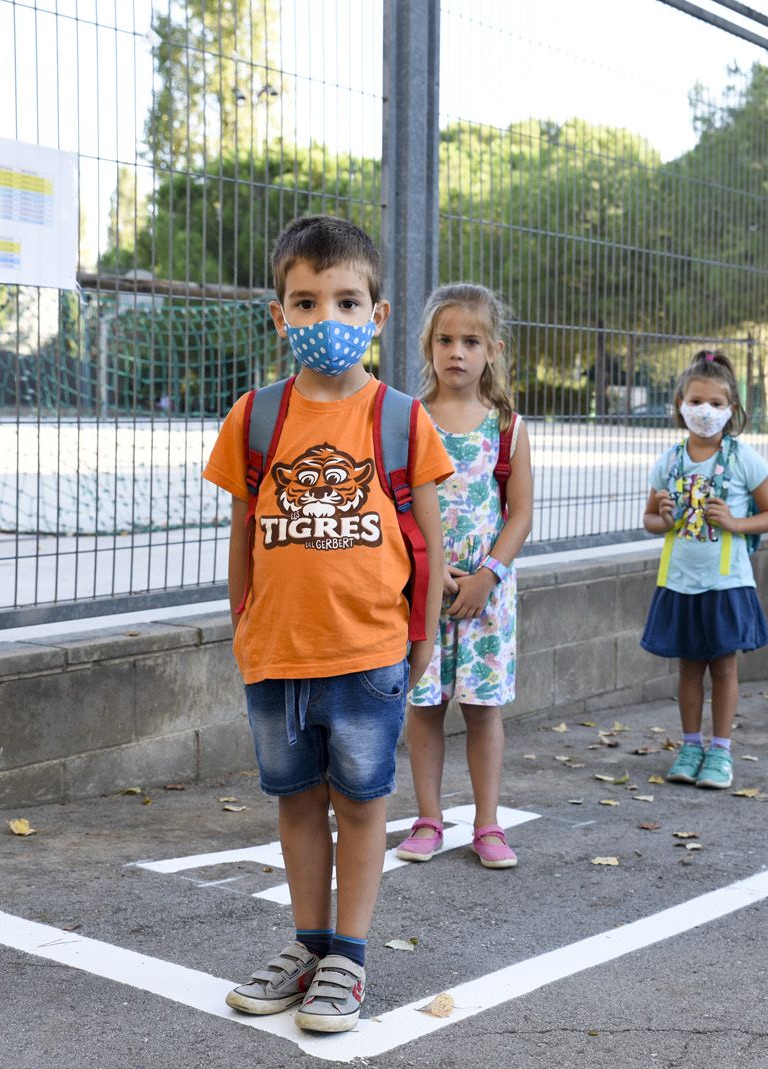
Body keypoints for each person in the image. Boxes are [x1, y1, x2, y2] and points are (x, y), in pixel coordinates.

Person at [203, 215, 453, 1033]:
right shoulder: (256, 417)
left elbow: (432, 544)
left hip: (370, 654)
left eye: (347, 301)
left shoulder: (401, 418)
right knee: (297, 801)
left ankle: (348, 955)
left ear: (377, 316)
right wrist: (244, 627)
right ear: (280, 314)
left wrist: (421, 641)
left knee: (361, 804)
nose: (325, 320)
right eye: (305, 302)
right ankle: (307, 944)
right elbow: (242, 532)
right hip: (275, 654)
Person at [395, 284, 533, 870]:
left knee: (482, 709)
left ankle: (487, 824)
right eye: (445, 339)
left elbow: (520, 513)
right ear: (427, 345)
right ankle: (428, 818)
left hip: (487, 597)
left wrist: (486, 578)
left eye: (470, 341)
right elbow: (394, 506)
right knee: (424, 706)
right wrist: (427, 568)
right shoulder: (406, 420)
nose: (457, 351)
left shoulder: (508, 426)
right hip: (424, 590)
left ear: (493, 350)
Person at [641, 351, 768, 790]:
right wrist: (662, 517)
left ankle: (720, 752)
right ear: (680, 403)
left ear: (733, 410)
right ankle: (689, 747)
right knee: (688, 668)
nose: (706, 411)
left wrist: (737, 523)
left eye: (717, 404)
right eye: (697, 400)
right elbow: (648, 521)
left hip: (726, 583)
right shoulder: (669, 461)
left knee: (723, 667)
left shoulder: (744, 459)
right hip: (681, 583)